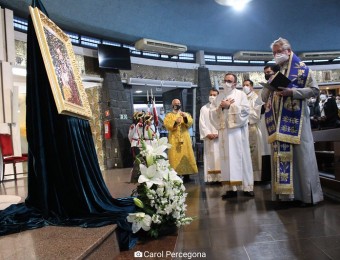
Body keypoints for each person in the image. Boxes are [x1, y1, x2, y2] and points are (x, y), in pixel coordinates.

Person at [261, 37, 323, 206]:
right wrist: (269, 84)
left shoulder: (302, 70)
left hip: (298, 121)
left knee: (302, 158)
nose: (276, 55)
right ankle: (286, 197)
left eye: (279, 52)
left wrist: (293, 92)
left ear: (288, 51)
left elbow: (315, 90)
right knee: (282, 158)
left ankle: (306, 197)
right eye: (274, 53)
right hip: (279, 122)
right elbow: (264, 97)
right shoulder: (277, 72)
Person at [210, 73, 254, 198]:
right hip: (224, 132)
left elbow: (246, 111)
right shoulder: (219, 97)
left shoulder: (241, 95)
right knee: (226, 160)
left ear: (235, 83)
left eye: (229, 81)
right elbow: (212, 113)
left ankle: (247, 187)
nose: (226, 83)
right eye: (224, 80)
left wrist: (230, 106)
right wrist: (220, 108)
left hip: (237, 133)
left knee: (242, 158)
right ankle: (230, 188)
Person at [164, 99, 198, 181]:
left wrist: (185, 118)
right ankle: (175, 175)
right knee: (174, 156)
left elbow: (190, 123)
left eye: (179, 103)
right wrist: (175, 122)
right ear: (172, 105)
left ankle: (187, 175)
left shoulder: (185, 114)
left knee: (186, 154)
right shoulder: (169, 115)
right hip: (174, 138)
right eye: (175, 104)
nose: (177, 105)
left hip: (184, 137)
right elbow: (167, 125)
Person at [199, 88, 221, 183]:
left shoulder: (221, 107)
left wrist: (219, 133)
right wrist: (207, 134)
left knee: (220, 158)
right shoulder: (204, 108)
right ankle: (211, 178)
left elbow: (223, 121)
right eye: (211, 94)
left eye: (214, 95)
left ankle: (221, 178)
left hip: (219, 138)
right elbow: (202, 123)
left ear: (218, 96)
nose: (212, 96)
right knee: (210, 157)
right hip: (209, 138)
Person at [243, 79, 263, 181]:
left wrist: (244, 113)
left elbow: (256, 115)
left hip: (252, 127)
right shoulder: (242, 98)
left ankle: (255, 177)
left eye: (247, 85)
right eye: (243, 85)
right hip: (243, 129)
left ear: (252, 87)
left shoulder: (256, 98)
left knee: (254, 152)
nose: (245, 87)